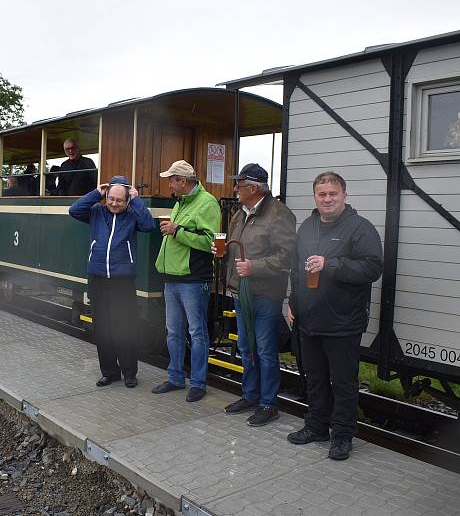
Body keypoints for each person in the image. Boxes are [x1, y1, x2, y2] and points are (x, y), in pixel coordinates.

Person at [287, 172, 383, 460]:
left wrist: (331, 265)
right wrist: (293, 301)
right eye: (321, 194)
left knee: (343, 381)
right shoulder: (307, 226)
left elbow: (372, 268)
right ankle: (316, 426)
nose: (327, 199)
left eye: (333, 194)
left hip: (343, 320)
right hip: (309, 318)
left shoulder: (360, 228)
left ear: (344, 195)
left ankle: (342, 435)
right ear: (314, 196)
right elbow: (296, 268)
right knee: (314, 377)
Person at [213, 163, 296, 427]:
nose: (235, 188)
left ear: (253, 187)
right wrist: (224, 253)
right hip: (241, 292)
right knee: (246, 348)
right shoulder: (240, 213)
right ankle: (250, 396)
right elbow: (238, 248)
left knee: (265, 351)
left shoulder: (279, 214)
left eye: (239, 184)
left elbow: (287, 257)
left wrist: (254, 267)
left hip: (265, 294)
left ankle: (269, 404)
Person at [69, 175, 154, 388]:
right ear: (106, 197)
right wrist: (96, 193)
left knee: (124, 328)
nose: (115, 204)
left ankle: (129, 373)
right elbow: (74, 210)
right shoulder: (96, 212)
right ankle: (109, 372)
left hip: (122, 281)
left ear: (127, 200)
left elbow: (149, 225)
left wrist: (136, 200)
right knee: (103, 328)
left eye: (120, 200)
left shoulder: (133, 215)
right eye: (111, 199)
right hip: (98, 278)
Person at [151, 160, 221, 402]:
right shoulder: (181, 201)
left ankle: (199, 383)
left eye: (171, 179)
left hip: (193, 280)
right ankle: (175, 378)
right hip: (172, 278)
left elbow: (210, 242)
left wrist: (176, 230)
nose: (169, 183)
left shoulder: (208, 203)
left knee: (197, 332)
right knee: (173, 332)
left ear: (182, 181)